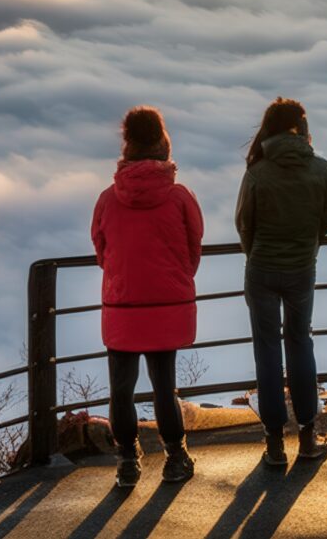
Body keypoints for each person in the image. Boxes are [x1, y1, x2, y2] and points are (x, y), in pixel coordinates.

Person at [92, 106, 203, 488]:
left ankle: (126, 463)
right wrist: (171, 281)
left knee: (120, 390)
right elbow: (192, 250)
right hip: (165, 305)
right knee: (163, 386)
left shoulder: (108, 199)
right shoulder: (180, 197)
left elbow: (101, 252)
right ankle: (175, 458)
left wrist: (126, 278)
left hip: (122, 306)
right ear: (163, 147)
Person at [236, 97, 327, 467]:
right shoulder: (322, 169)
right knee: (300, 344)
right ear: (301, 128)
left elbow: (244, 224)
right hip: (301, 269)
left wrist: (257, 253)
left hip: (262, 269)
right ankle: (309, 435)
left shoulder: (257, 172)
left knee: (266, 351)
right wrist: (307, 241)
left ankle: (275, 444)